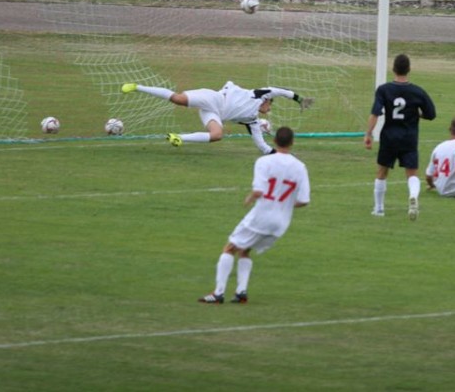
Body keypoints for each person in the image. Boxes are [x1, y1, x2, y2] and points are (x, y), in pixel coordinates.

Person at [198, 126, 310, 303]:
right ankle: (241, 292)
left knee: (229, 248)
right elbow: (304, 200)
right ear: (292, 142)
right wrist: (284, 205)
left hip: (261, 216)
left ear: (274, 141)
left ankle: (218, 293)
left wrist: (249, 198)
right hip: (281, 223)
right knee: (244, 250)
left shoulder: (264, 162)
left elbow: (259, 190)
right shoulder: (300, 167)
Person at [121, 81, 314, 154]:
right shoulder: (259, 94)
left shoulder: (252, 121)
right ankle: (137, 87)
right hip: (213, 97)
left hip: (213, 113)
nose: (269, 107)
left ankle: (178, 137)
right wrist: (299, 99)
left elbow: (262, 147)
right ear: (267, 100)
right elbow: (280, 91)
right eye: (270, 104)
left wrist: (281, 154)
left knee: (217, 135)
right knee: (178, 99)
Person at [364, 53, 436, 220]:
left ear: (393, 69)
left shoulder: (384, 90)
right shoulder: (417, 91)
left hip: (389, 136)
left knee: (382, 172)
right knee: (412, 174)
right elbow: (431, 114)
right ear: (409, 70)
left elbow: (375, 113)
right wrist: (418, 114)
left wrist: (368, 134)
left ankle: (379, 209)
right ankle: (413, 196)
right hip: (409, 137)